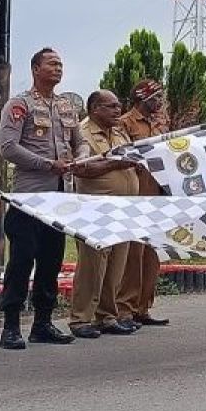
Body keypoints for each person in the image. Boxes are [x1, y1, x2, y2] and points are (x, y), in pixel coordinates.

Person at [0, 48, 82, 349]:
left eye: (61, 64)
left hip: (59, 198)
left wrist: (79, 160)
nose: (58, 68)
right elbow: (8, 147)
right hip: (29, 197)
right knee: (21, 261)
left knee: (51, 261)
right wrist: (47, 164)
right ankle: (10, 326)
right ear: (35, 68)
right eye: (52, 64)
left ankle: (42, 323)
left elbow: (80, 143)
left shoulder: (66, 105)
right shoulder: (20, 104)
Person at [69, 90, 140, 339]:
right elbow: (81, 168)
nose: (117, 110)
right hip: (95, 209)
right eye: (111, 106)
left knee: (116, 265)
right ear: (95, 108)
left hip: (124, 208)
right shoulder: (83, 132)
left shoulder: (119, 132)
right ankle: (81, 318)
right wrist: (115, 164)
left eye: (118, 105)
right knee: (93, 266)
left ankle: (107, 316)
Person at [116, 79, 170, 328]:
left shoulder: (160, 124)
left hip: (157, 196)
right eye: (155, 97)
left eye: (160, 97)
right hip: (136, 196)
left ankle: (143, 307)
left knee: (152, 254)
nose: (159, 102)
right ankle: (124, 309)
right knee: (133, 256)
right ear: (141, 98)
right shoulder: (125, 123)